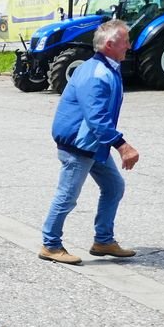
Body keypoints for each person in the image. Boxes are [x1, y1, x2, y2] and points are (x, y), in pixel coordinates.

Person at [39, 19, 140, 265]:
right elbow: (97, 118)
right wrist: (122, 145)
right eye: (125, 41)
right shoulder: (97, 73)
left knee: (114, 187)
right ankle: (50, 244)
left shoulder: (107, 67)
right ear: (109, 44)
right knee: (67, 195)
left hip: (92, 144)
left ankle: (103, 240)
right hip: (78, 144)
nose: (129, 44)